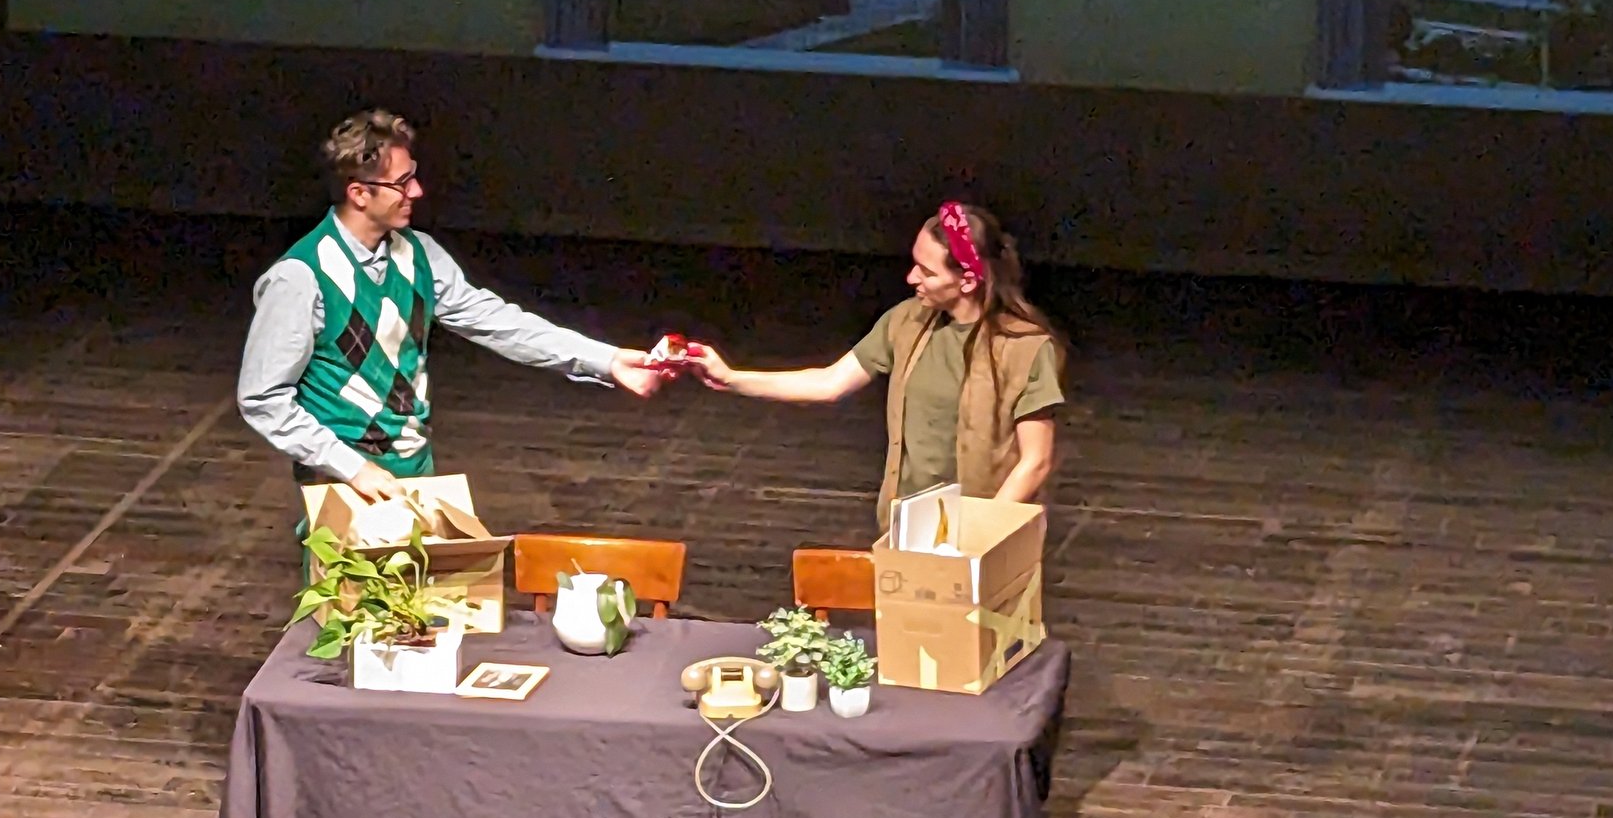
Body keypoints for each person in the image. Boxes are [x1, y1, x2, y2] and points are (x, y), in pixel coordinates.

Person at [238, 109, 664, 499]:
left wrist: (605, 360)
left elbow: (496, 322)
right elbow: (263, 396)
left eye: (413, 176)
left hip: (414, 469)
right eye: (401, 183)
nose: (417, 191)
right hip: (342, 482)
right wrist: (351, 468)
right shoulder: (301, 276)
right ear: (359, 194)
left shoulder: (419, 253)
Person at [690, 202, 1064, 527]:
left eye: (927, 272)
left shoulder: (1023, 348)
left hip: (986, 533)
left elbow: (1035, 461)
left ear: (967, 281)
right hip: (912, 526)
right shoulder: (906, 321)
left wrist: (982, 538)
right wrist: (731, 377)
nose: (911, 278)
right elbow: (830, 382)